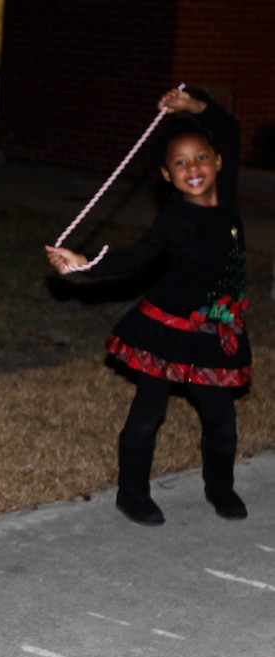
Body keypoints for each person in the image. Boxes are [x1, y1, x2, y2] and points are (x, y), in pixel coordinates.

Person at [45, 87, 250, 526]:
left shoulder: (227, 199)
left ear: (217, 162)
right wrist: (86, 264)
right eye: (180, 163)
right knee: (147, 414)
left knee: (222, 421)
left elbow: (228, 130)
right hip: (166, 328)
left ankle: (221, 488)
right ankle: (132, 493)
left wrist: (194, 106)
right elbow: (135, 258)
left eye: (200, 158)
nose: (192, 168)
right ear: (166, 175)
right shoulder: (176, 218)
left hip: (215, 329)